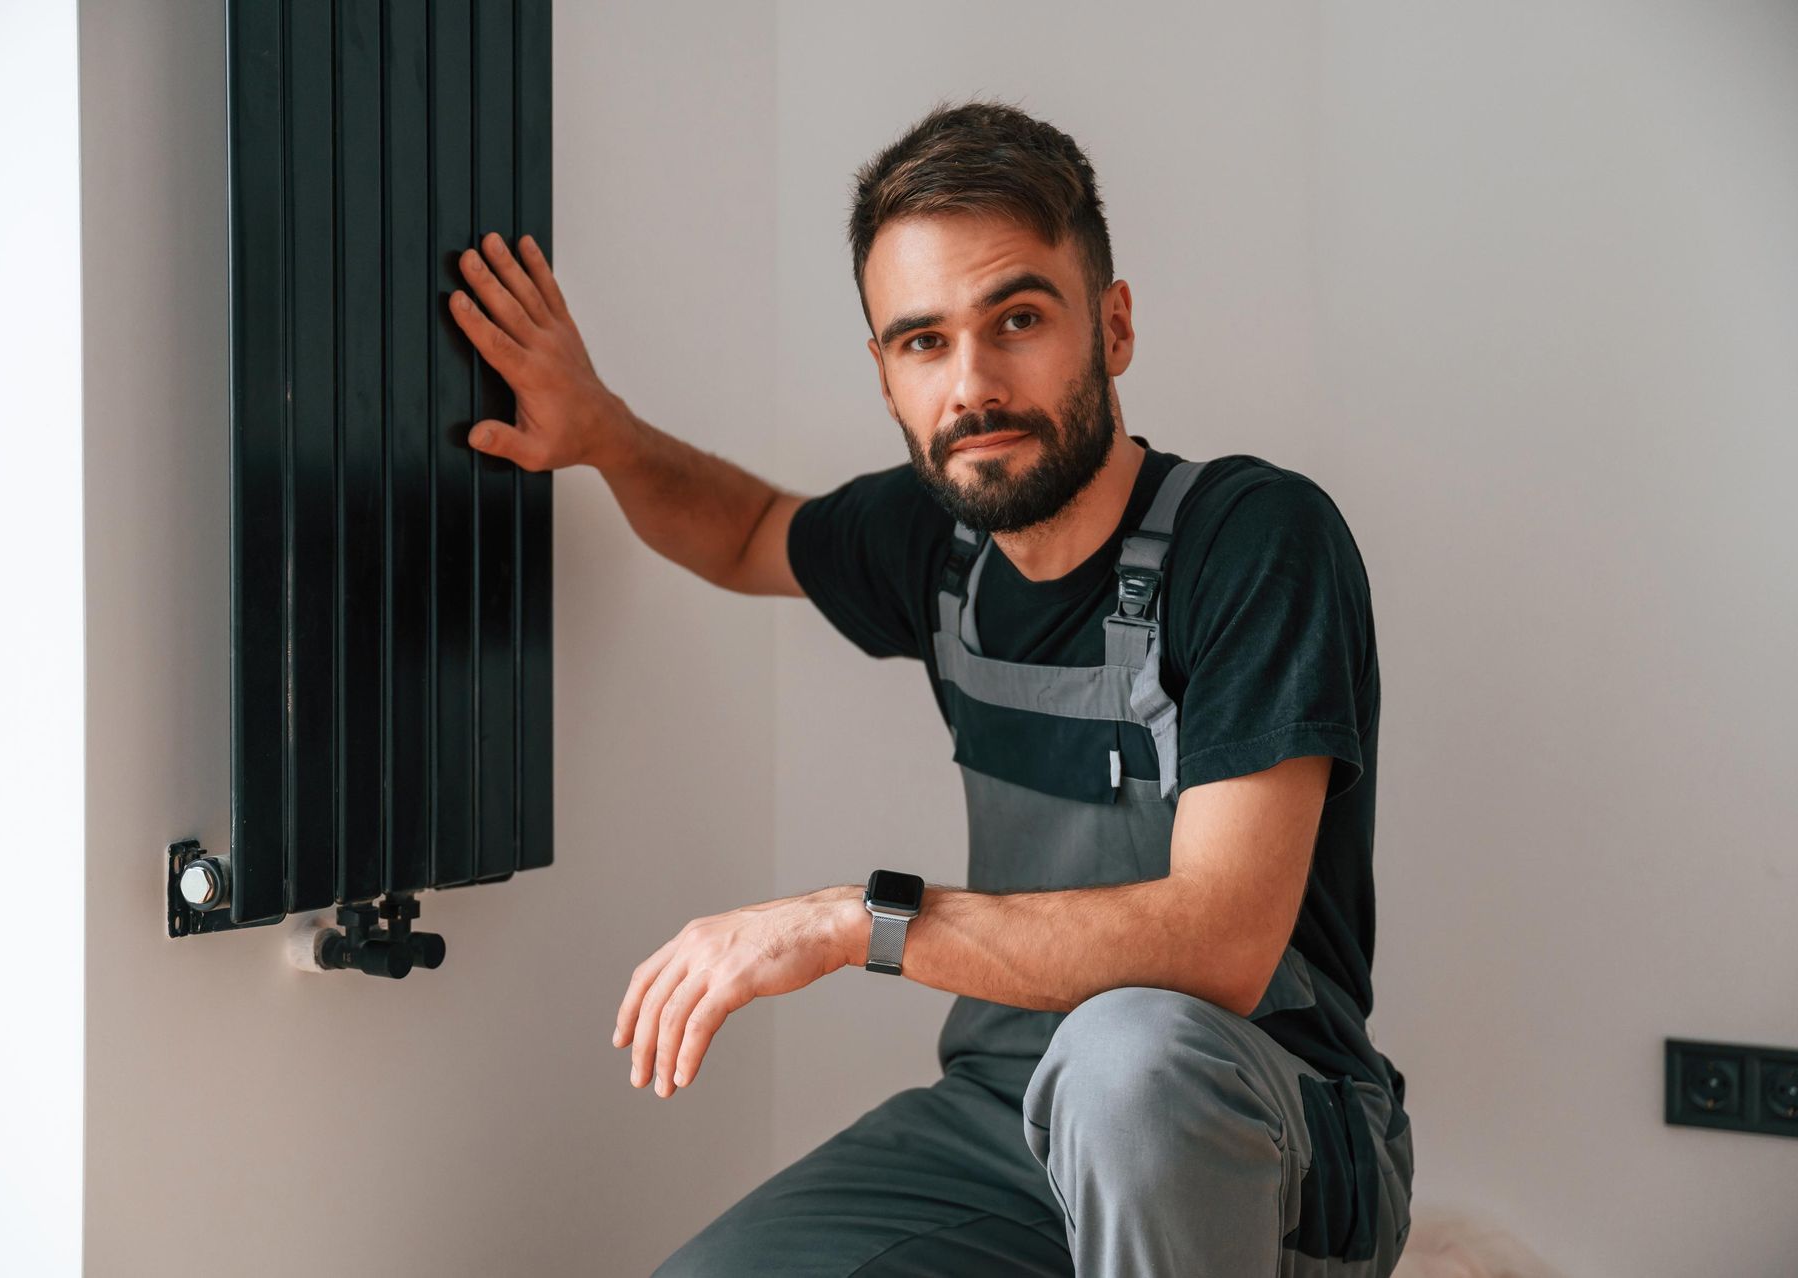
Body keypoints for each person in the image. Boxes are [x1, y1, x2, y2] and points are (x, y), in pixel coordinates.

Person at [448, 95, 1413, 1278]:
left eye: (1017, 318)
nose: (972, 385)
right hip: (1003, 1124)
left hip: (1259, 1138)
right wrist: (601, 432)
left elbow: (1219, 946)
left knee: (1125, 1061)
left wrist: (858, 919)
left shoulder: (1256, 542)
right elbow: (749, 530)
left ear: (1112, 326)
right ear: (885, 371)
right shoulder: (935, 542)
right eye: (923, 341)